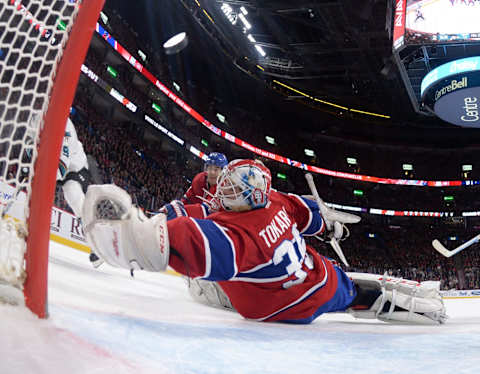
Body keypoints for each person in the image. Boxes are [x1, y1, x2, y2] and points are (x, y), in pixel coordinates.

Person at [82, 159, 447, 324]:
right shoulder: (277, 201)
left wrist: (125, 236)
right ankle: (412, 299)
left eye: (229, 188)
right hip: (320, 282)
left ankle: (388, 297)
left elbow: (160, 245)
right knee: (351, 289)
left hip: (275, 310)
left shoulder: (236, 235)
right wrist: (332, 227)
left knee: (199, 286)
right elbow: (313, 217)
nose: (221, 190)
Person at [56, 117, 103, 267]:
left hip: (76, 167)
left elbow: (64, 162)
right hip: (57, 166)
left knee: (74, 196)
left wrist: (47, 176)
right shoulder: (38, 116)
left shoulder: (66, 125)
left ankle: (99, 244)